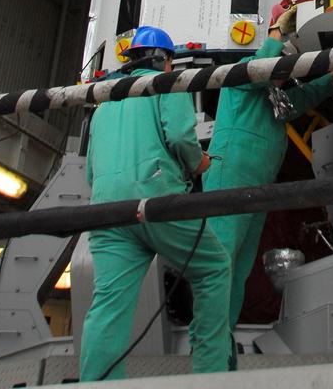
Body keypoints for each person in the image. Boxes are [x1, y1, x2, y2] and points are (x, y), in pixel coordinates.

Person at [79, 25, 231, 381]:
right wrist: (200, 163)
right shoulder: (165, 84)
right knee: (213, 269)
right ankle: (210, 376)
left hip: (106, 212)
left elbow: (90, 171)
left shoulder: (106, 102)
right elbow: (179, 135)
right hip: (157, 200)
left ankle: (96, 384)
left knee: (108, 306)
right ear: (166, 61)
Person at [203, 2, 333, 346]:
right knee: (220, 262)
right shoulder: (240, 76)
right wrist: (278, 33)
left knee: (239, 266)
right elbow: (259, 69)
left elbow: (301, 98)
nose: (283, 67)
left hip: (256, 185)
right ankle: (207, 345)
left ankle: (222, 342)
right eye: (281, 58)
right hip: (230, 178)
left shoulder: (271, 95)